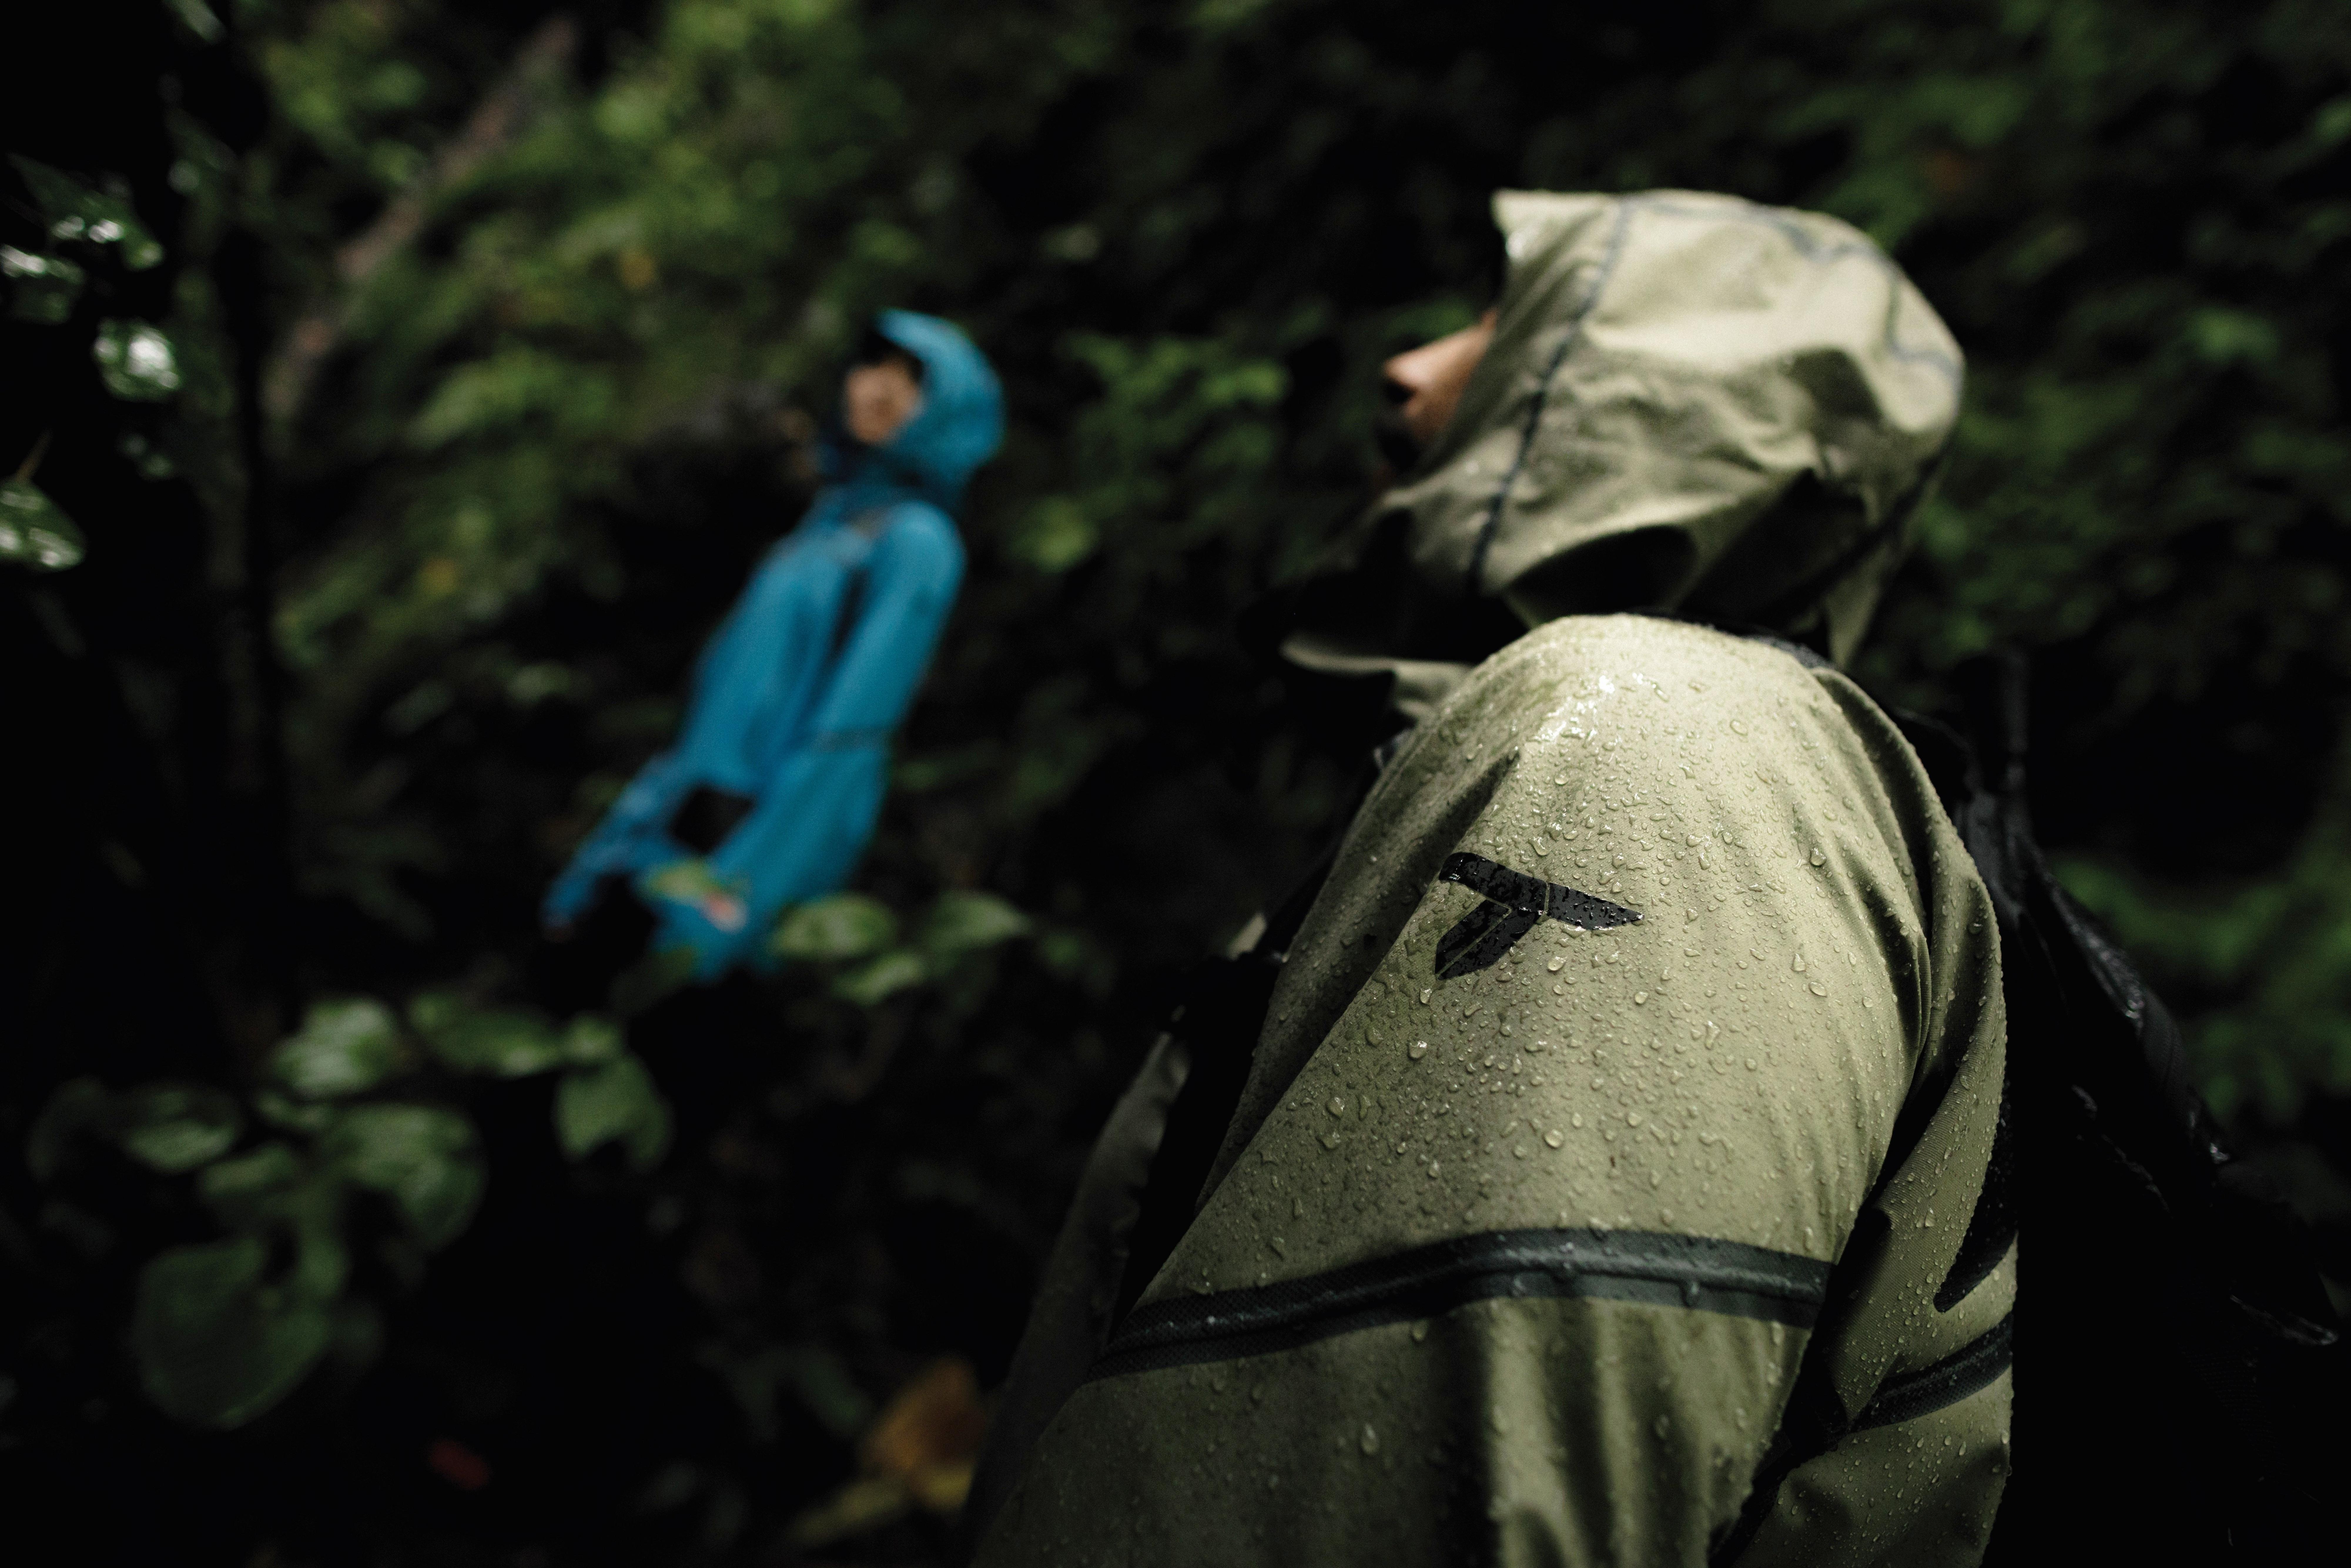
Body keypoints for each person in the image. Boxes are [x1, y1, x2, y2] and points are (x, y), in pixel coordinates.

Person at [965, 191, 2010, 1566]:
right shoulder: (1657, 760)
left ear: (1660, 387)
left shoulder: (1635, 743)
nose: (1406, 370)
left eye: (1503, 319)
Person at [542, 311, 1003, 988]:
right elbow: (711, 715)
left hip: (745, 845)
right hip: (680, 826)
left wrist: (729, 905)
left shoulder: (917, 542)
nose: (879, 391)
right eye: (875, 365)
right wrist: (603, 859)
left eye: (915, 381)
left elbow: (847, 739)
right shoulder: (830, 519)